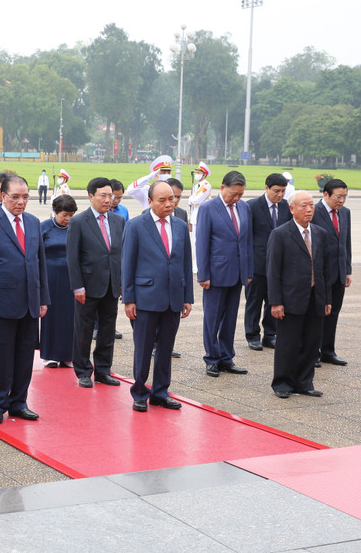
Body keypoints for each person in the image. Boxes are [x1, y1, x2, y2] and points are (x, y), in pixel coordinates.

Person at [0, 174, 49, 425]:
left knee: (25, 356)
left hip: (30, 303)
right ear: (3, 196)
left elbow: (39, 263)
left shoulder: (33, 222)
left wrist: (43, 298)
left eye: (25, 197)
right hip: (0, 303)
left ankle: (19, 402)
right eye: (15, 197)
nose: (21, 202)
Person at [122, 181, 193, 412]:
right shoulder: (135, 226)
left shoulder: (180, 225)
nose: (169, 204)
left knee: (166, 347)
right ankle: (139, 392)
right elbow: (128, 263)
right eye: (162, 200)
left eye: (172, 199)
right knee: (143, 349)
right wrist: (129, 299)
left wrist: (187, 296)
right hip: (145, 297)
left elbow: (185, 262)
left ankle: (161, 392)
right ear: (150, 201)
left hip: (173, 297)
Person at [267, 191, 332, 399]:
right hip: (290, 298)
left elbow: (325, 270)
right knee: (288, 343)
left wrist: (327, 299)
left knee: (312, 343)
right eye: (304, 205)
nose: (309, 209)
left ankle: (304, 382)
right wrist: (275, 302)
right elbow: (273, 271)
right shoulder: (280, 234)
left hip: (315, 296)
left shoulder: (320, 233)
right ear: (292, 209)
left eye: (311, 205)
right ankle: (283, 383)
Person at [67, 178, 124, 388]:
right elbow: (72, 257)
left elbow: (120, 254)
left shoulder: (118, 221)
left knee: (108, 330)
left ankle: (103, 370)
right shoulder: (79, 222)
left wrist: (121, 282)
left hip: (111, 285)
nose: (108, 200)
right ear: (91, 196)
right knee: (83, 330)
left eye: (111, 196)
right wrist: (77, 286)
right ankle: (83, 370)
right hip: (87, 285)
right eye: (103, 196)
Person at [195, 170, 253, 378]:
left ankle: (226, 358)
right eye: (233, 194)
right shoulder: (208, 208)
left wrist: (248, 270)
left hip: (237, 273)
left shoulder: (244, 208)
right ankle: (212, 358)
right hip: (216, 273)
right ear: (222, 188)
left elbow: (247, 241)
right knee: (212, 318)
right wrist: (203, 274)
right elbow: (202, 243)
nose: (236, 198)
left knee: (230, 318)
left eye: (240, 194)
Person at [245, 173, 292, 351]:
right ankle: (252, 335)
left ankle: (270, 335)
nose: (280, 195)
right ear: (266, 188)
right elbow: (246, 237)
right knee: (254, 301)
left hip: (279, 265)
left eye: (283, 191)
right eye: (276, 191)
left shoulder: (286, 206)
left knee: (274, 300)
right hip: (257, 264)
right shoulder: (252, 206)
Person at [311, 178, 351, 367]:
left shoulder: (345, 213)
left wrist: (348, 270)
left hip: (339, 272)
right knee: (317, 313)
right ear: (326, 194)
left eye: (344, 197)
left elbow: (346, 242)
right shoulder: (313, 211)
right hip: (319, 273)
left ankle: (328, 351)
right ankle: (313, 352)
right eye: (338, 197)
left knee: (333, 313)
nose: (341, 200)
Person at [40, 195, 77, 368]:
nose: (67, 219)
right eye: (64, 215)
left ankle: (68, 355)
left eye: (71, 215)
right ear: (55, 212)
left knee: (70, 316)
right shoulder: (44, 227)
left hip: (71, 278)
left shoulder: (76, 227)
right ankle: (50, 355)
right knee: (51, 315)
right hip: (50, 277)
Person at [187, 162, 213, 229]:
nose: (196, 174)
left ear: (204, 175)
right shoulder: (196, 186)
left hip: (202, 215)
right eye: (196, 173)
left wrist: (192, 201)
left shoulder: (206, 186)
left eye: (198, 173)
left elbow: (197, 200)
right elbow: (190, 199)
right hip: (195, 215)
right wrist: (192, 200)